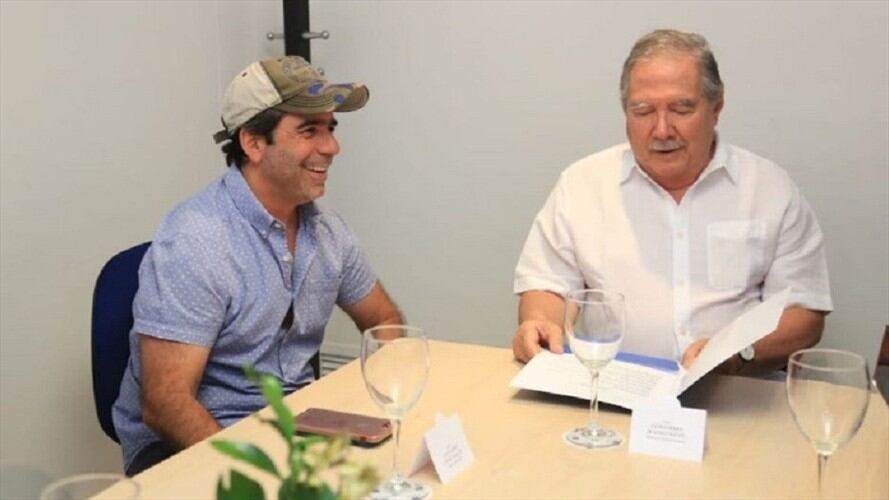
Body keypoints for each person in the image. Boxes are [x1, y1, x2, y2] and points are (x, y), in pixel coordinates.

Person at [112, 56, 402, 476]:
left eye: (330, 129)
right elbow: (166, 403)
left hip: (294, 427)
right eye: (309, 131)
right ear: (252, 143)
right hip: (198, 442)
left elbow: (384, 322)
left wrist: (380, 406)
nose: (331, 147)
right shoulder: (196, 241)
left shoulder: (327, 231)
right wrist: (260, 476)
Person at [512, 29, 832, 375]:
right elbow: (547, 285)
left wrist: (738, 354)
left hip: (736, 390)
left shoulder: (770, 189)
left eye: (681, 109)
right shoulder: (582, 185)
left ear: (716, 108)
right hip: (614, 387)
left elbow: (804, 313)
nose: (662, 130)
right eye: (643, 111)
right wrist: (540, 324)